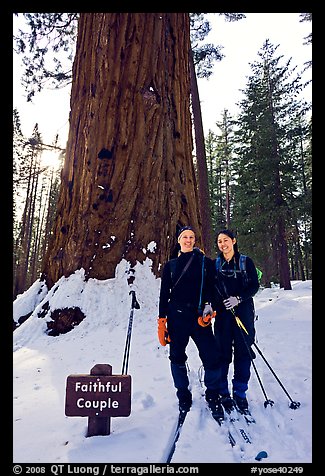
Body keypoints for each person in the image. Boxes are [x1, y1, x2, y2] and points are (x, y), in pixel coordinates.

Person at [157, 226, 223, 418]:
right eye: (184, 237)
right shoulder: (170, 266)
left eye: (191, 237)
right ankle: (183, 395)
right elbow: (164, 295)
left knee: (211, 357)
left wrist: (210, 309)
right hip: (177, 318)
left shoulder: (206, 263)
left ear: (195, 240)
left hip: (199, 318)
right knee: (176, 357)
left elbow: (213, 289)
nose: (188, 240)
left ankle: (212, 394)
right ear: (178, 241)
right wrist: (162, 321)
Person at [211, 229, 259, 414]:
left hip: (244, 312)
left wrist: (239, 298)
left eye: (225, 240)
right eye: (219, 241)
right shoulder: (216, 264)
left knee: (243, 352)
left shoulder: (246, 262)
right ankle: (223, 391)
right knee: (222, 353)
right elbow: (212, 289)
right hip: (223, 315)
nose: (223, 244)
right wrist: (212, 305)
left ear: (234, 241)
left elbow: (254, 286)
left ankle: (240, 392)